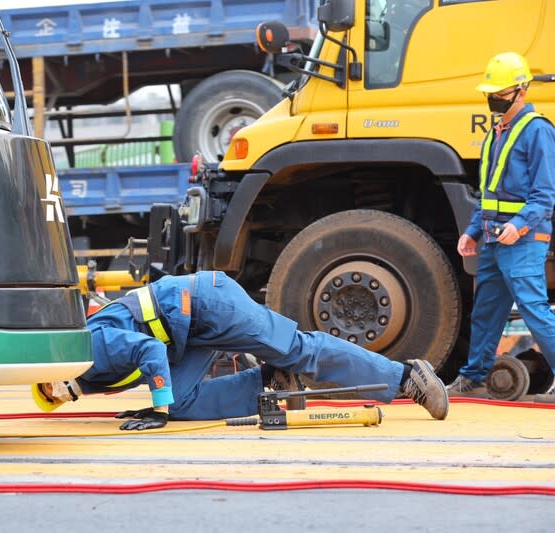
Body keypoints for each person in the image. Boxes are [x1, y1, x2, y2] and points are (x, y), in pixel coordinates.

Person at [32, 271, 449, 428]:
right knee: (180, 403)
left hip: (208, 307)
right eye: (53, 399)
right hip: (189, 327)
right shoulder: (88, 366)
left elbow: (149, 354)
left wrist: (155, 409)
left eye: (50, 391)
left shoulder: (89, 349)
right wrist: (162, 404)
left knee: (299, 350)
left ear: (57, 374)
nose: (60, 397)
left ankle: (408, 376)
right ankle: (270, 381)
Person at [450, 52, 555, 402]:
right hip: (495, 238)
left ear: (521, 91)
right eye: (491, 92)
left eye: (501, 92)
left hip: (522, 240)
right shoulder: (497, 132)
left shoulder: (537, 131)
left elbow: (544, 196)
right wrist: (472, 231)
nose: (493, 98)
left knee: (535, 312)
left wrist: (520, 227)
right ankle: (474, 377)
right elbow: (489, 194)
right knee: (486, 313)